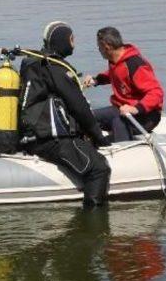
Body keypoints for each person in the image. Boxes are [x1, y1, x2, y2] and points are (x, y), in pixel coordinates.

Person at [19, 21, 111, 206]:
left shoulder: (35, 63)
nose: (74, 44)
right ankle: (93, 227)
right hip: (50, 140)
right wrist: (98, 137)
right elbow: (78, 106)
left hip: (32, 136)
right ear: (62, 41)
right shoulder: (56, 68)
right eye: (71, 39)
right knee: (99, 169)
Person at [84, 27, 164, 142]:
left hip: (146, 116)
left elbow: (156, 92)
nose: (98, 49)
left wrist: (136, 109)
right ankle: (90, 144)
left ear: (107, 47)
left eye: (99, 46)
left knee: (118, 121)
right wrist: (97, 80)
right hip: (121, 109)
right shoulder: (115, 60)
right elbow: (116, 74)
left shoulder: (134, 64)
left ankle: (124, 150)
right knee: (88, 116)